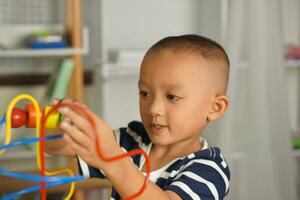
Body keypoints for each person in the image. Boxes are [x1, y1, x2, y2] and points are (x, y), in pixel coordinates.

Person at [46, 34, 231, 200]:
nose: (154, 108)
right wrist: (63, 123)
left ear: (215, 108)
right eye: (144, 93)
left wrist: (112, 160)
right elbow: (55, 146)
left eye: (172, 97)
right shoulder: (133, 139)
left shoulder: (210, 169)